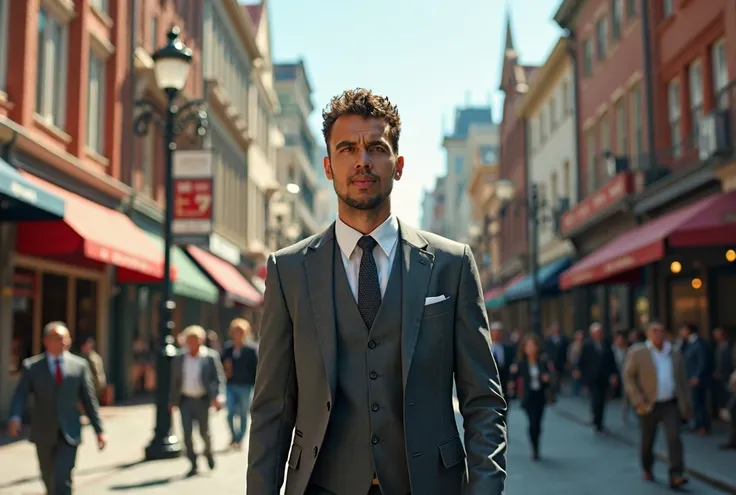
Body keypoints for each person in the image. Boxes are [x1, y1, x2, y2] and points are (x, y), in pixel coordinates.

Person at [246, 88, 507, 495]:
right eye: (347, 148)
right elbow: (271, 410)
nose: (362, 160)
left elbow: (483, 402)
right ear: (328, 166)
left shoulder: (452, 264)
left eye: (376, 148)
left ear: (398, 165)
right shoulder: (289, 269)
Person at [8, 321, 106, 495]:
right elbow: (20, 395)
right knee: (48, 479)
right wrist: (15, 417)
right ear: (46, 341)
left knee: (63, 478)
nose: (61, 342)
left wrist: (99, 430)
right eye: (56, 338)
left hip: (69, 432)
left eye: (64, 338)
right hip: (43, 432)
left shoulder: (79, 366)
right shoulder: (32, 367)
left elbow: (89, 400)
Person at [623, 321, 691, 488]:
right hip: (648, 404)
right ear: (648, 334)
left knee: (674, 437)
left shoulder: (674, 352)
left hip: (669, 403)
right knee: (648, 440)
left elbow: (683, 380)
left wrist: (687, 404)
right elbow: (629, 377)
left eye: (661, 331)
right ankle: (647, 467)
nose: (659, 334)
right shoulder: (638, 352)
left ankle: (676, 474)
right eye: (655, 331)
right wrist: (638, 399)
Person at [169, 325, 226, 477]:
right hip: (185, 400)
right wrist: (172, 401)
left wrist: (218, 397)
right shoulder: (180, 357)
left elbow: (219, 378)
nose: (193, 343)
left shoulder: (210, 357)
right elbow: (174, 381)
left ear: (201, 341)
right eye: (190, 340)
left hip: (202, 400)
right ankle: (193, 462)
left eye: (196, 340)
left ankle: (208, 453)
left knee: (204, 432)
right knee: (187, 433)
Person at [510, 334, 554, 460]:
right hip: (528, 397)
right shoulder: (521, 363)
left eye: (533, 346)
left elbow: (550, 377)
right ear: (524, 349)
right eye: (528, 346)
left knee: (538, 422)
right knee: (532, 421)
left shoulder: (542, 361)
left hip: (540, 396)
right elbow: (513, 378)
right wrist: (512, 382)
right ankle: (533, 447)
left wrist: (547, 379)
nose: (531, 349)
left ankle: (536, 443)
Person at [221, 318, 259, 449]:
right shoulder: (228, 348)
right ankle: (233, 436)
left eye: (240, 331)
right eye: (235, 331)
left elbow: (256, 368)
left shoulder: (251, 349)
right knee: (230, 412)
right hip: (231, 385)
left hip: (245, 386)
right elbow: (222, 365)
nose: (237, 334)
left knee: (243, 413)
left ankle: (239, 439)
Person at [576, 322, 618, 433]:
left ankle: (600, 421)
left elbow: (611, 360)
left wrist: (613, 374)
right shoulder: (587, 345)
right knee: (596, 399)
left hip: (604, 377)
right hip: (592, 378)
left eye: (600, 332)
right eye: (596, 333)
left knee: (602, 400)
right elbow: (582, 361)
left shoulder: (606, 344)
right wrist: (579, 371)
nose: (598, 335)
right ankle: (596, 421)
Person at [679, 323, 711, 435]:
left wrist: (696, 376)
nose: (681, 333)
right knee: (695, 402)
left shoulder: (699, 344)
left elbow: (702, 361)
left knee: (700, 403)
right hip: (690, 378)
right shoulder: (688, 343)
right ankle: (698, 424)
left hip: (697, 379)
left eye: (683, 330)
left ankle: (703, 426)